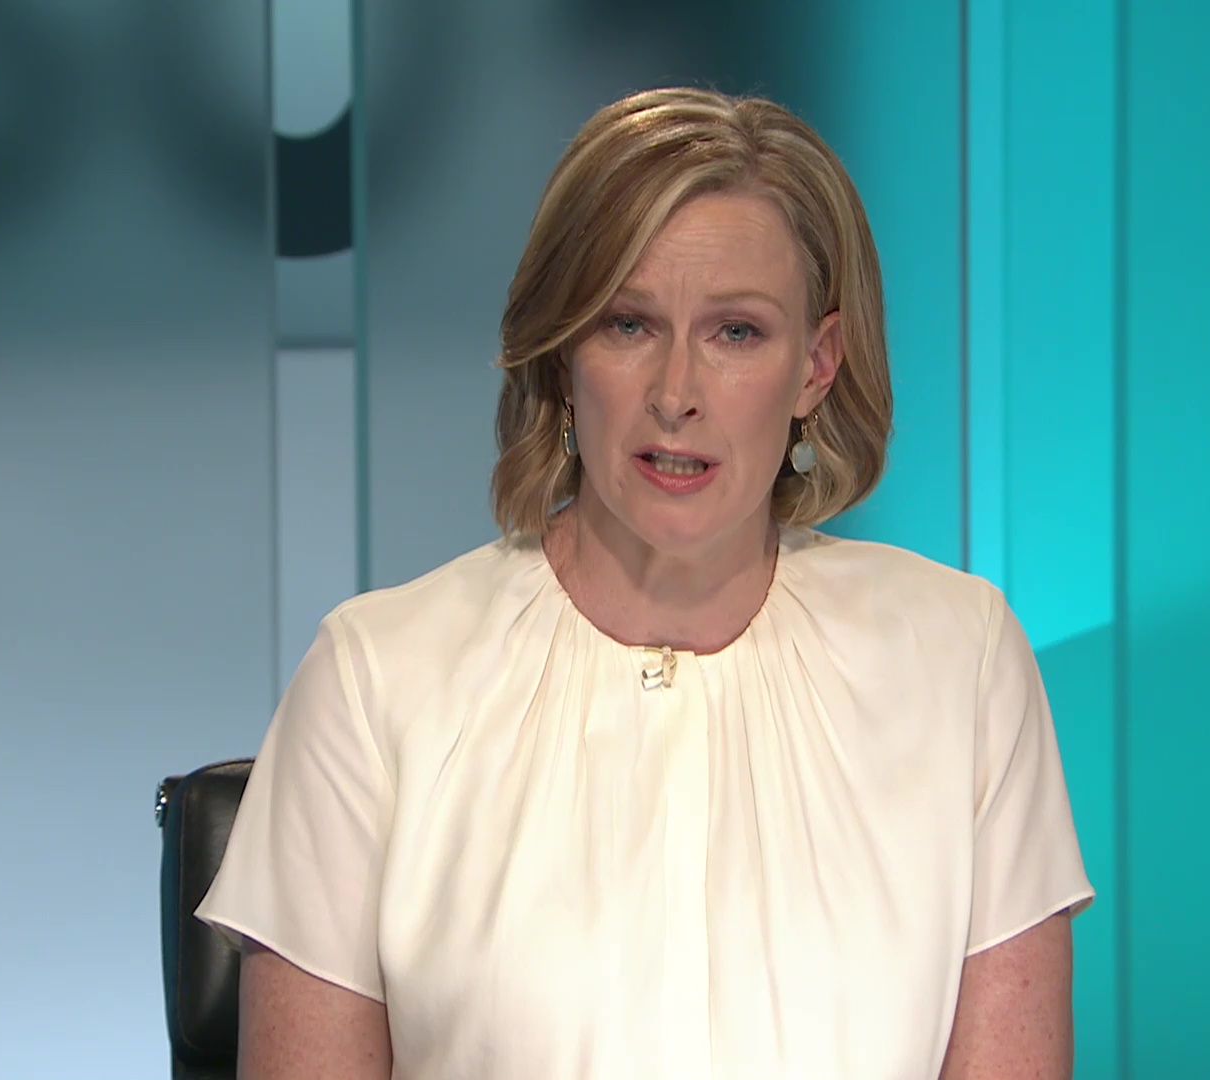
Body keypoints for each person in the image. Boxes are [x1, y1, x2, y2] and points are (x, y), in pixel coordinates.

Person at [194, 85, 1096, 1079]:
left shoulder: (960, 661)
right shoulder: (375, 682)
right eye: (628, 325)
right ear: (562, 355)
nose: (676, 395)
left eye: (736, 333)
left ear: (817, 365)